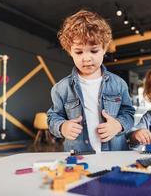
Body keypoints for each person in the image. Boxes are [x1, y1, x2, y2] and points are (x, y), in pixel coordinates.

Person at [47, 10, 135, 152]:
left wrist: (118, 125)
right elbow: (53, 117)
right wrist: (62, 127)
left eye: (93, 51)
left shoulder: (119, 84)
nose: (86, 58)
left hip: (115, 154)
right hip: (78, 155)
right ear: (70, 51)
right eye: (79, 52)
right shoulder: (61, 88)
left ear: (104, 48)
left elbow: (129, 113)